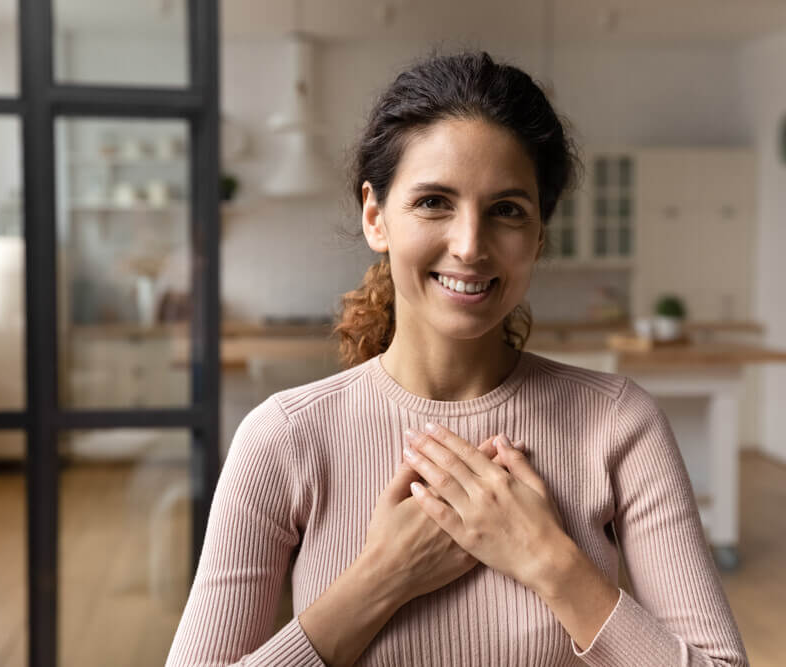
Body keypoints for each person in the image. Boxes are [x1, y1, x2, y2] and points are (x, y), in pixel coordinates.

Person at [166, 51, 749, 667]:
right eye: (433, 202)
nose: (470, 245)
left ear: (540, 236)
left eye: (507, 210)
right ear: (376, 216)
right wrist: (380, 580)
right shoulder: (282, 439)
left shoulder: (621, 424)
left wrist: (549, 561)